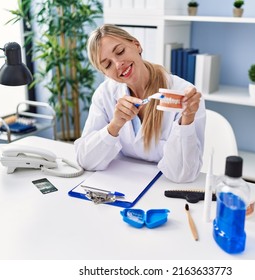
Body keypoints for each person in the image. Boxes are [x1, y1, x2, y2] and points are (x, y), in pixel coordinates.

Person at [74, 24, 206, 183]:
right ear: (105, 73)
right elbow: (85, 160)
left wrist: (187, 120)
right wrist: (115, 125)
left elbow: (183, 175)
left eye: (120, 51)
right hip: (123, 183)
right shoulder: (105, 95)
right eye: (108, 65)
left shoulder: (184, 94)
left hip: (163, 186)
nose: (118, 64)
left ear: (136, 45)